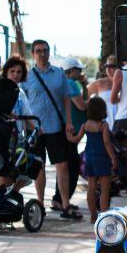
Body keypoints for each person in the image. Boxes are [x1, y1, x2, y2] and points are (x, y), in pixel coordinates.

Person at [23, 39, 82, 219]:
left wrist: (69, 121)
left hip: (56, 126)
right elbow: (22, 101)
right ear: (33, 54)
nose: (42, 53)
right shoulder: (27, 76)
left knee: (62, 166)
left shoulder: (59, 74)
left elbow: (67, 98)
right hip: (36, 130)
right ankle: (40, 205)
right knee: (38, 167)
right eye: (38, 51)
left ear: (49, 53)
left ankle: (65, 204)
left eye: (45, 50)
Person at [67, 97, 117, 223]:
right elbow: (106, 142)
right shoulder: (103, 125)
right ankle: (104, 216)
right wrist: (113, 157)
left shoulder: (86, 124)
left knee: (91, 187)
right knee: (105, 189)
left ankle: (93, 215)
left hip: (89, 158)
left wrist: (69, 136)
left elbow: (77, 139)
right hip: (102, 158)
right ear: (102, 110)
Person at [51, 57, 88, 211]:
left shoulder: (67, 83)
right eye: (78, 70)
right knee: (71, 167)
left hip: (66, 130)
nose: (80, 72)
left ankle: (59, 199)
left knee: (65, 166)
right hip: (70, 131)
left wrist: (85, 87)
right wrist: (94, 103)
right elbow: (82, 106)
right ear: (72, 71)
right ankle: (60, 200)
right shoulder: (71, 83)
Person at [0, 57, 36, 191]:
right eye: (12, 71)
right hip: (4, 137)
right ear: (6, 72)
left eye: (19, 72)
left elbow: (27, 117)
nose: (15, 74)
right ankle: (0, 201)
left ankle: (9, 195)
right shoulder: (0, 90)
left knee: (32, 168)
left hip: (18, 138)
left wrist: (37, 130)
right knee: (6, 173)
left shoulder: (20, 93)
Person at [87, 55, 119, 129]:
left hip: (121, 123)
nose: (108, 69)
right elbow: (84, 96)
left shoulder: (125, 82)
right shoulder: (100, 83)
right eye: (106, 66)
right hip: (104, 125)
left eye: (112, 66)